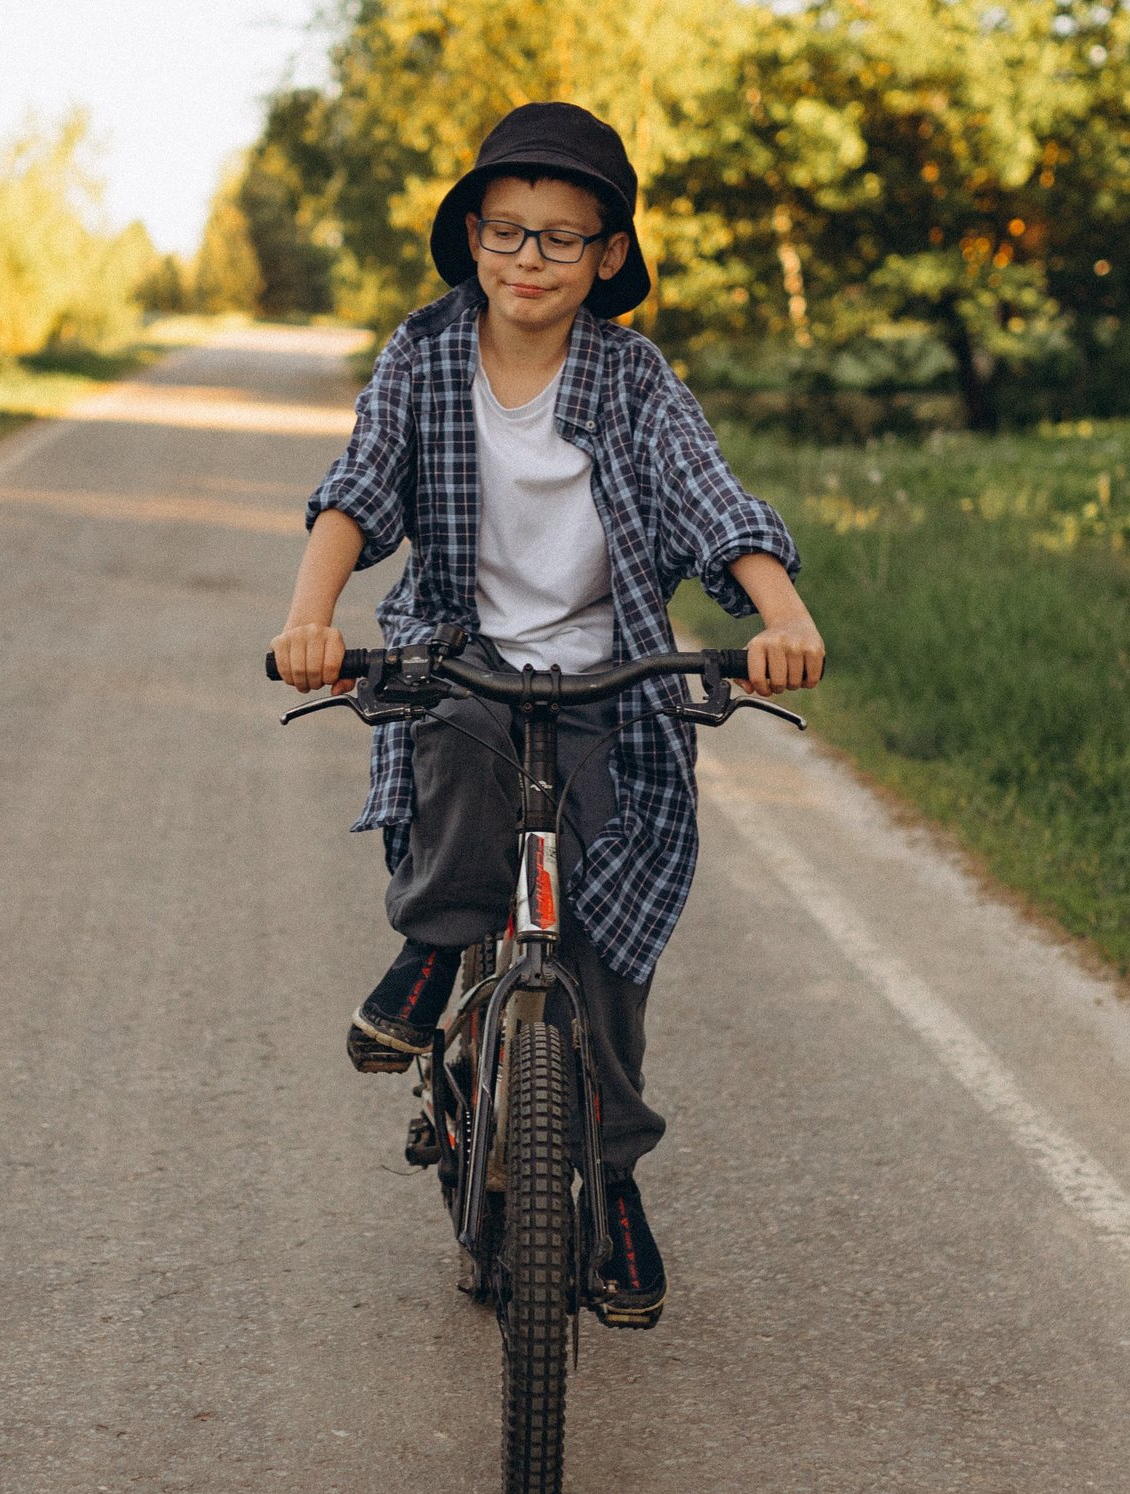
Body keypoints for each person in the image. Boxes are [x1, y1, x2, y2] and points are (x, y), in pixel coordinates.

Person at [269, 102, 825, 1326]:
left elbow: (708, 499)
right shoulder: (423, 355)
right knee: (463, 743)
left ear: (607, 256)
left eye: (561, 240)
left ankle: (611, 1184)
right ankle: (433, 956)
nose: (530, 260)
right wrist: (312, 620)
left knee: (606, 968)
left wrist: (780, 618)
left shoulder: (632, 377)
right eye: (509, 233)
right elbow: (358, 487)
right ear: (472, 236)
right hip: (461, 666)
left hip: (605, 686)